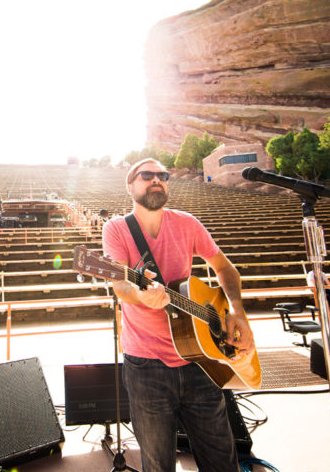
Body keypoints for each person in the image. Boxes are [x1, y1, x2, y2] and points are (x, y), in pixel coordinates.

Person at [102, 158, 255, 472]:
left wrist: (238, 313)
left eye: (163, 175)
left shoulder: (187, 223)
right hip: (147, 367)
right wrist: (141, 295)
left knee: (221, 460)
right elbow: (120, 285)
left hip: (201, 360)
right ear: (130, 185)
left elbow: (225, 269)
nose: (157, 179)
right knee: (158, 464)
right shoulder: (116, 228)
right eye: (147, 175)